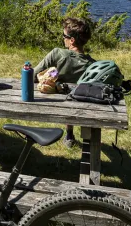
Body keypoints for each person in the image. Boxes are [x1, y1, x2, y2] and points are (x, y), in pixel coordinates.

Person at [33, 17, 96, 148]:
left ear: (72, 40)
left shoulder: (58, 54)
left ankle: (69, 134)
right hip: (83, 108)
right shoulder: (92, 65)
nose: (63, 38)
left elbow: (33, 75)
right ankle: (81, 137)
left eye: (64, 36)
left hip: (56, 104)